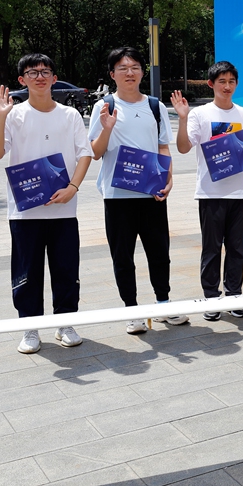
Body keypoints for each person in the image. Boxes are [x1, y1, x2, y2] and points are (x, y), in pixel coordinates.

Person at [0, 54, 91, 354]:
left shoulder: (70, 115)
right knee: (26, 270)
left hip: (64, 208)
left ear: (55, 78)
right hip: (24, 211)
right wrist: (0, 116)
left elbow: (84, 154)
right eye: (32, 72)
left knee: (66, 268)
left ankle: (65, 322)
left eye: (46, 72)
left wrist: (73, 187)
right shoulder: (14, 115)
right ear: (22, 80)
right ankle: (29, 327)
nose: (40, 77)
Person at [89, 46, 184, 333]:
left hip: (151, 193)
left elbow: (163, 145)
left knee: (159, 252)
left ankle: (164, 304)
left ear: (143, 72)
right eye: (122, 68)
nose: (129, 73)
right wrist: (107, 127)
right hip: (118, 196)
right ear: (112, 75)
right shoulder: (104, 106)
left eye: (135, 67)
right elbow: (95, 152)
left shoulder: (155, 106)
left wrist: (168, 178)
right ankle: (132, 310)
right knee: (123, 255)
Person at [171, 61, 243, 321]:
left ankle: (235, 294)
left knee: (237, 248)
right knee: (211, 248)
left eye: (231, 82)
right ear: (211, 84)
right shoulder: (200, 114)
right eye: (221, 81)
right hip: (210, 192)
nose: (227, 86)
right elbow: (184, 148)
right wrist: (183, 117)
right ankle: (211, 297)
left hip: (239, 192)